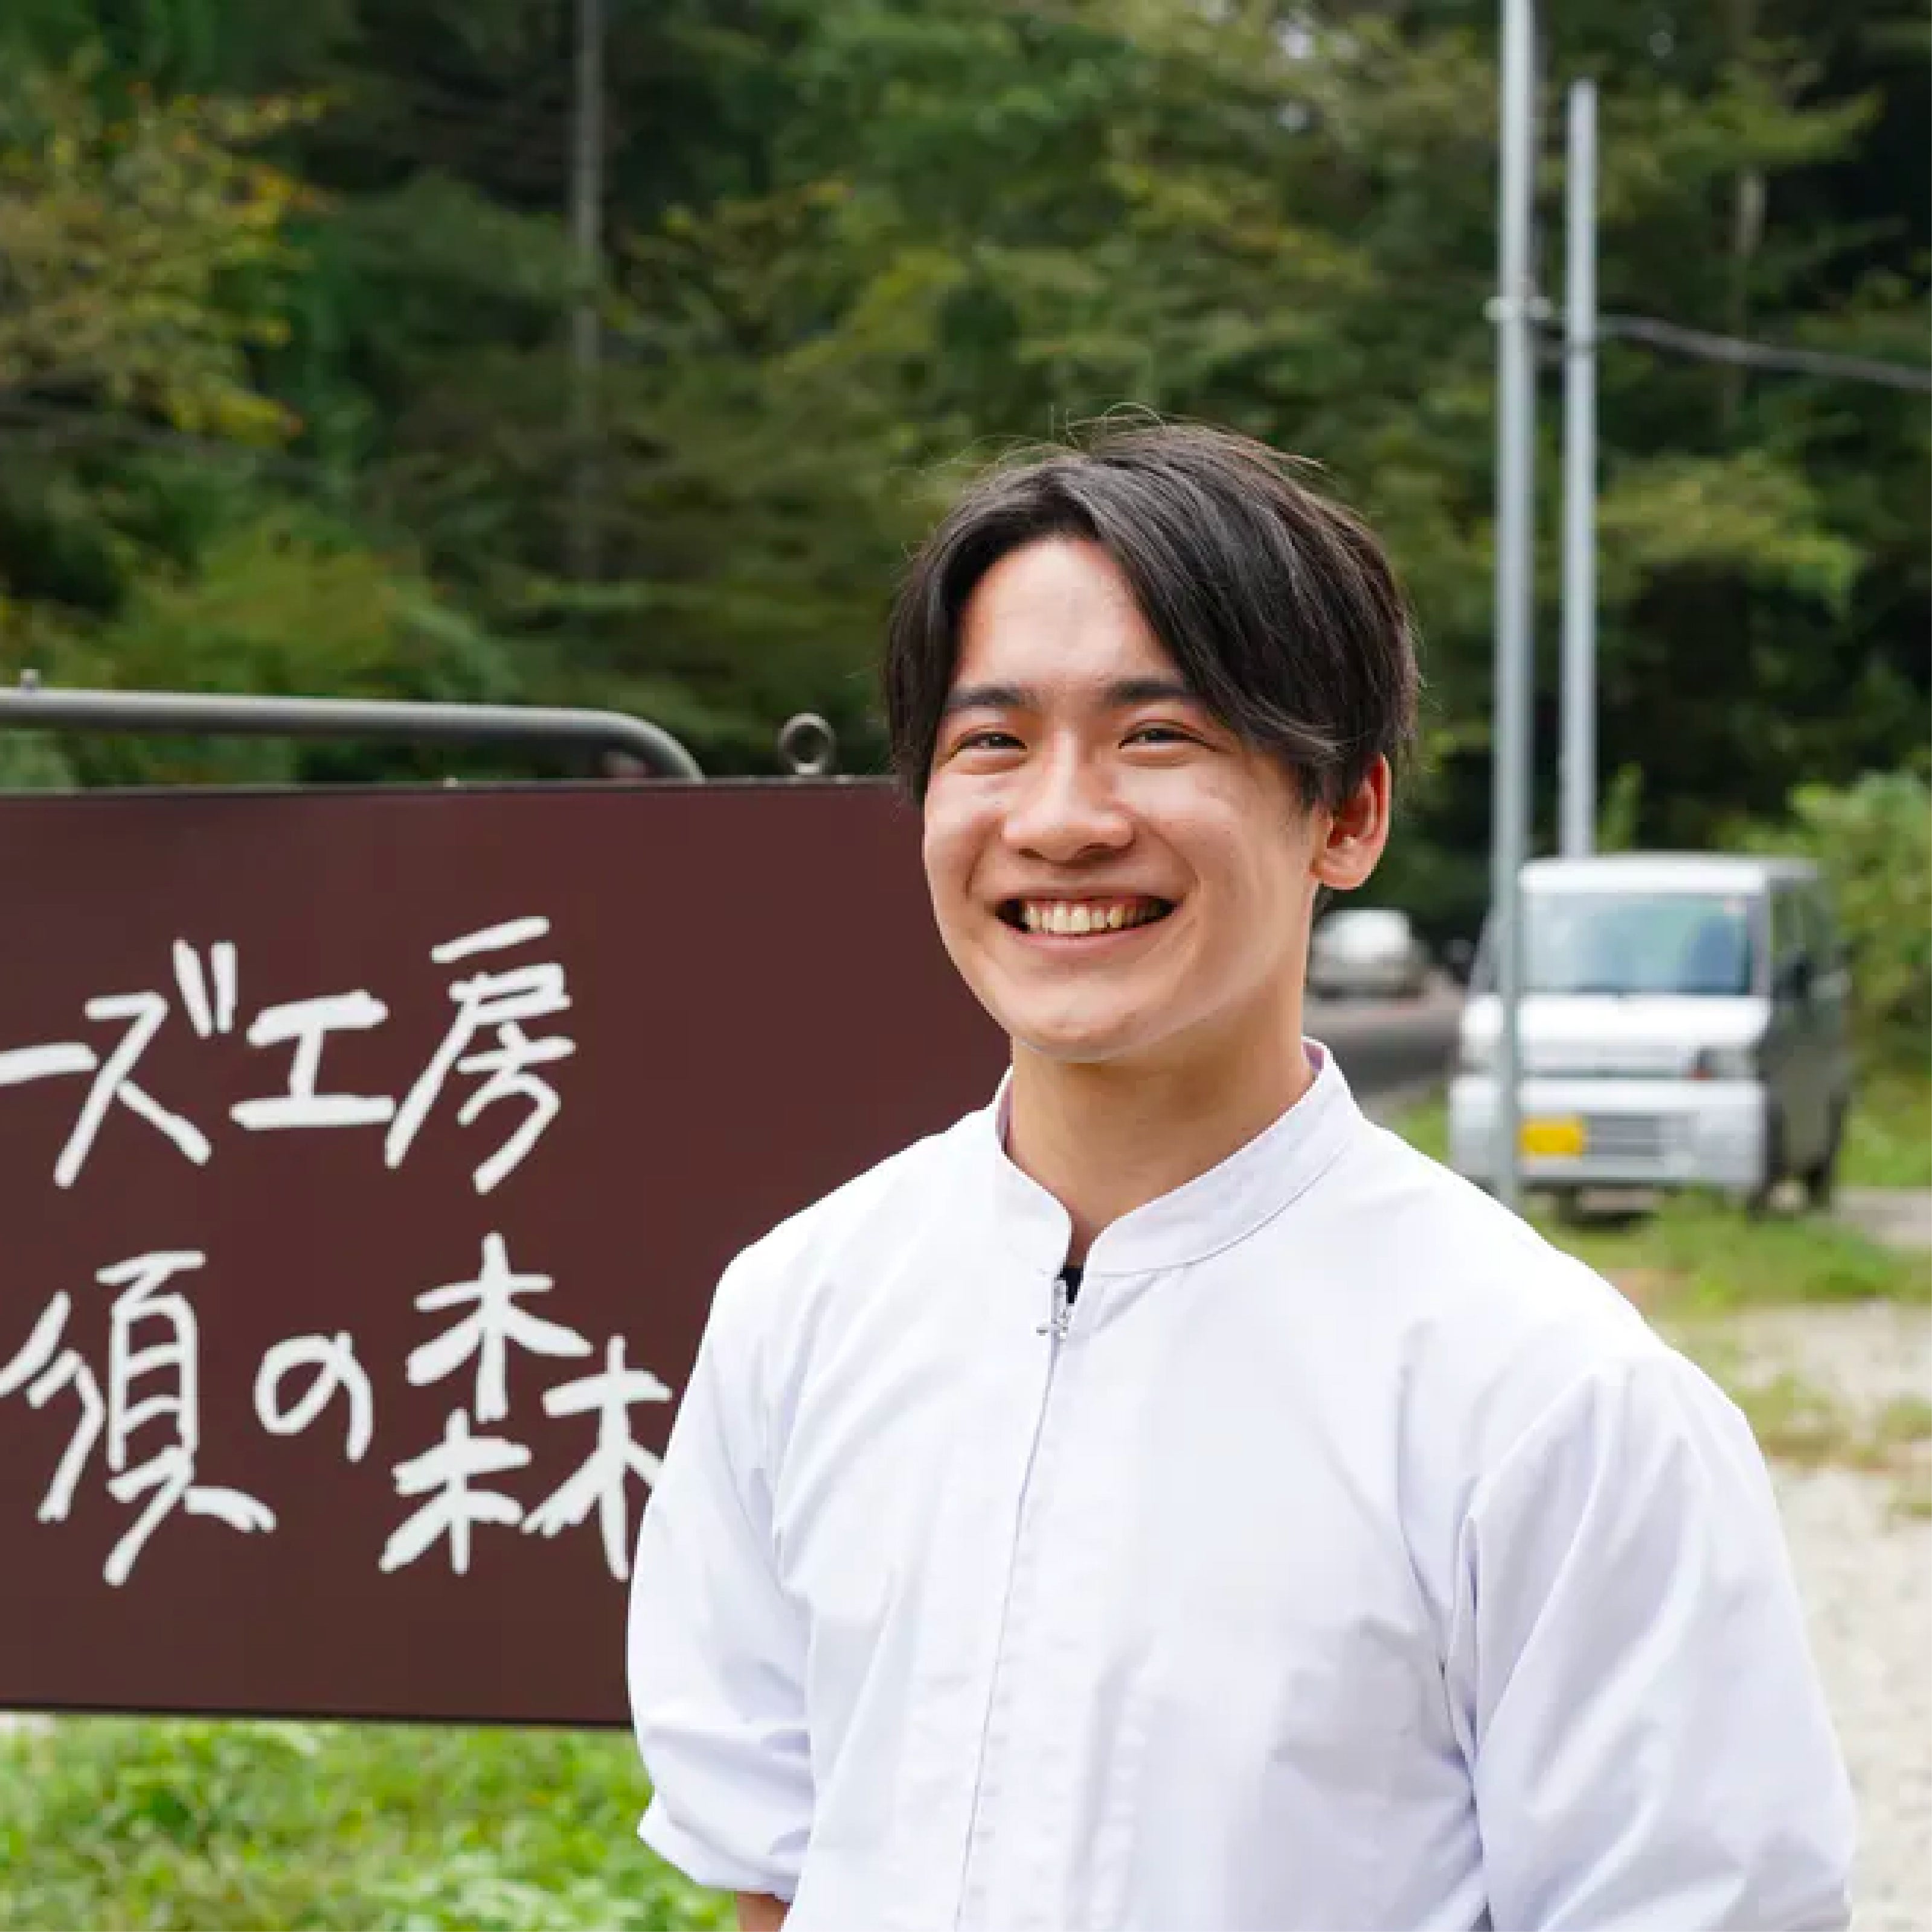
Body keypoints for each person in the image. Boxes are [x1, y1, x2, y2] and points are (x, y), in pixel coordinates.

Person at [627, 422, 1854, 1931]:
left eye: (1158, 735)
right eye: (991, 742)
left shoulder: (1547, 1397)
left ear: (1348, 813)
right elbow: (776, 1863)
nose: (1059, 820)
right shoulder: (801, 1309)